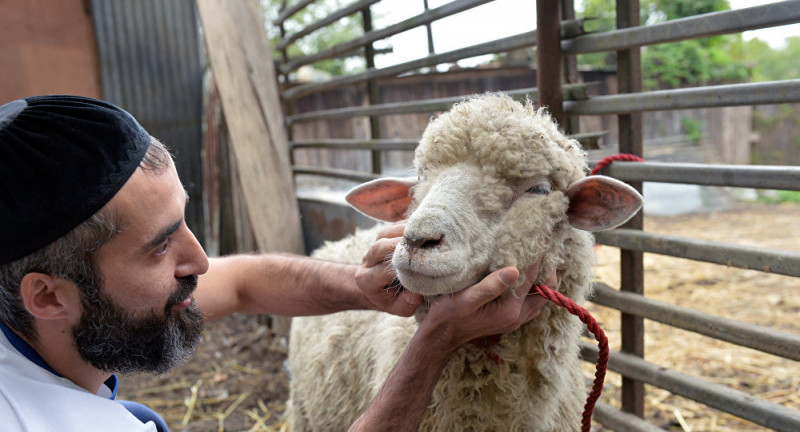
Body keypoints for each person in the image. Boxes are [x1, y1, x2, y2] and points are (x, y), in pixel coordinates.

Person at [0, 95, 554, 432]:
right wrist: (433, 342)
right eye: (160, 247)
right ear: (47, 297)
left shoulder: (33, 322)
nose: (200, 260)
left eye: (185, 222)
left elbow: (240, 284)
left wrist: (361, 286)